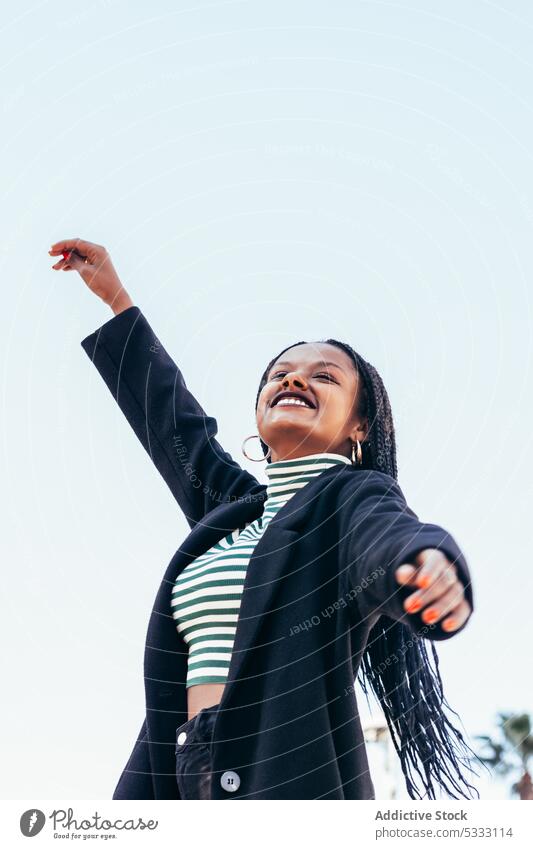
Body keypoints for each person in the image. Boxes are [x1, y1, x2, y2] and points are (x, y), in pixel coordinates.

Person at [49, 237, 478, 800]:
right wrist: (115, 297)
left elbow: (388, 535)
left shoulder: (348, 499)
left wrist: (429, 566)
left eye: (324, 376)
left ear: (360, 427)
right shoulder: (230, 510)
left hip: (283, 777)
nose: (294, 380)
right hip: (174, 772)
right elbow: (174, 425)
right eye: (280, 373)